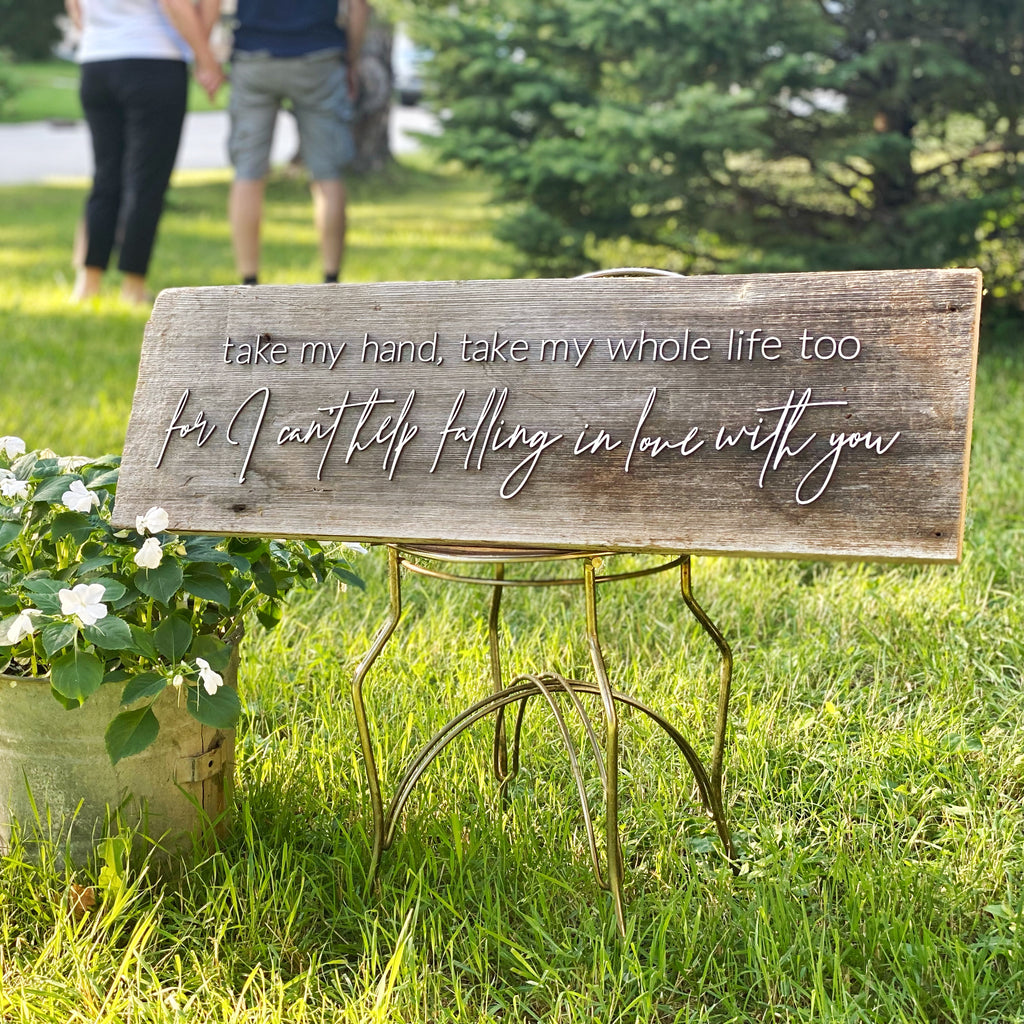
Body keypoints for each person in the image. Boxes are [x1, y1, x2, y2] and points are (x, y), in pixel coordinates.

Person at [66, 0, 225, 305]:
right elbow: (176, 4)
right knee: (146, 181)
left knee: (105, 177)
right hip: (154, 60)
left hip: (96, 62)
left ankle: (88, 281)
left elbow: (75, 10)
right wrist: (205, 59)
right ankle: (133, 286)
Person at [227, 0, 368, 285]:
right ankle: (331, 280)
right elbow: (358, 6)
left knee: (248, 174)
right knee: (327, 175)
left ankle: (248, 282)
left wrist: (204, 57)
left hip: (254, 55)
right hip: (319, 57)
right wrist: (351, 60)